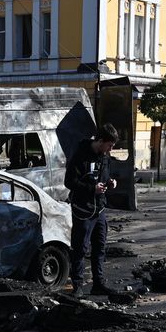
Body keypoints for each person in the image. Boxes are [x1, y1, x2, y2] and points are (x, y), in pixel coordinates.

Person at [65, 123, 119, 297]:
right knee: (80, 248)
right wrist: (91, 189)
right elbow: (69, 182)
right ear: (100, 140)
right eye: (109, 145)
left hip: (100, 208)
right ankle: (78, 285)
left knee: (100, 247)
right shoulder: (80, 155)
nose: (110, 149)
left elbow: (104, 176)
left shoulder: (104, 157)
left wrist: (110, 182)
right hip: (83, 209)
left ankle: (98, 283)